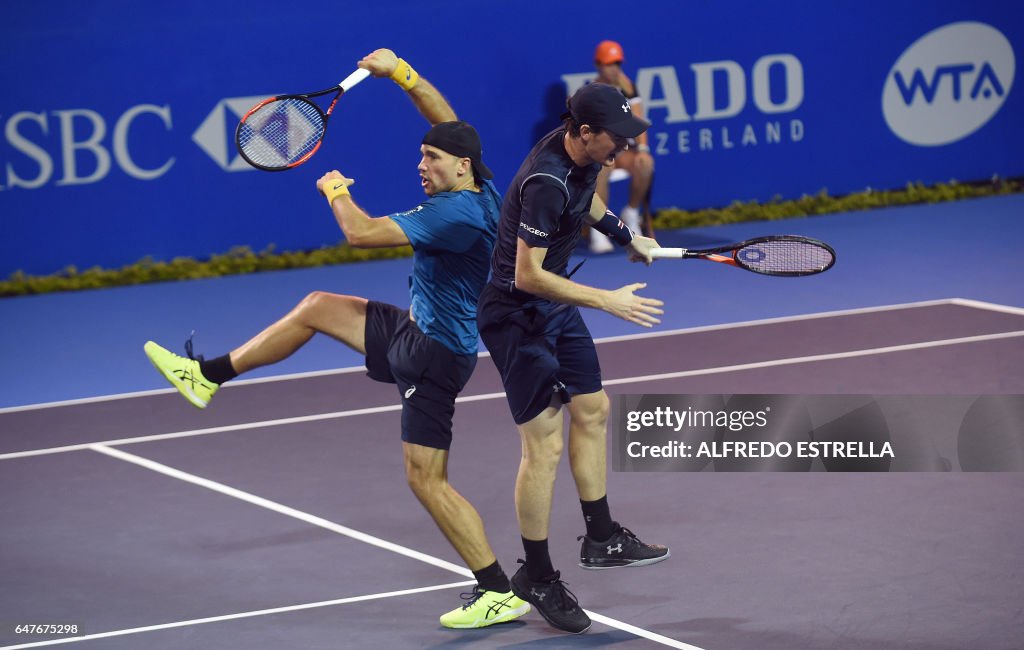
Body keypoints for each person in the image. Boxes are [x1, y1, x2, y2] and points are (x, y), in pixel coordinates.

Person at [143, 48, 530, 630]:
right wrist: (402, 73)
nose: (420, 163)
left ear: (461, 168)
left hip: (434, 356)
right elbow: (444, 118)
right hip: (415, 331)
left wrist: (335, 190)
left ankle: (497, 589)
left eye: (431, 158)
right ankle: (208, 377)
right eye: (421, 154)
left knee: (425, 478)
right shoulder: (482, 189)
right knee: (318, 307)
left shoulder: (455, 216)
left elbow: (360, 233)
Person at [476, 82, 670, 634]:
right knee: (544, 444)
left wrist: (626, 235)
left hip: (553, 305)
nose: (624, 150)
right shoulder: (545, 181)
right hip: (516, 314)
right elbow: (526, 274)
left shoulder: (579, 155)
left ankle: (602, 537)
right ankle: (536, 576)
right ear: (585, 132)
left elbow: (587, 198)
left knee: (595, 409)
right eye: (617, 140)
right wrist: (607, 299)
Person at [587, 40, 656, 253]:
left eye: (617, 63)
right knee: (603, 169)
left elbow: (640, 121)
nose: (614, 68)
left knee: (645, 163)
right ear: (598, 65)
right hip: (602, 154)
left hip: (624, 151)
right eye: (609, 64)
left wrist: (643, 150)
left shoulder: (629, 87)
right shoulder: (591, 91)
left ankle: (631, 214)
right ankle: (598, 227)